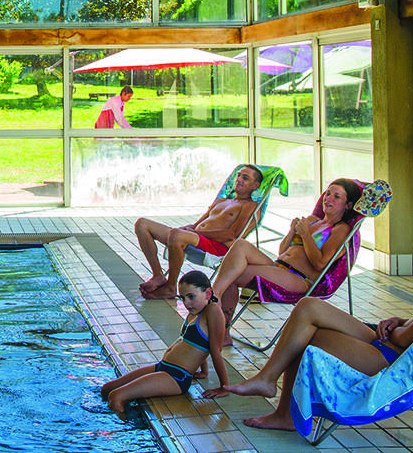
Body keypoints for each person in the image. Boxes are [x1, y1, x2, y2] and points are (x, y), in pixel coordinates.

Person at [204, 224, 413, 431]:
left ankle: (280, 404)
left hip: (391, 357)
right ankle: (270, 385)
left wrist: (397, 329)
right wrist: (400, 321)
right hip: (388, 342)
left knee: (306, 334)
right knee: (308, 308)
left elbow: (409, 339)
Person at [209, 178, 364, 321]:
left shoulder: (341, 230)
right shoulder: (312, 220)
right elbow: (282, 252)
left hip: (299, 278)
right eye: (328, 193)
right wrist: (292, 232)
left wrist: (305, 235)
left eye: (336, 197)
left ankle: (213, 303)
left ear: (348, 205)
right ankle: (214, 298)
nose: (328, 198)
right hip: (279, 267)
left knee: (233, 274)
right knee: (240, 245)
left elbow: (320, 264)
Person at [100, 271, 229, 418]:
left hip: (176, 377)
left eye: (191, 297)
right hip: (162, 367)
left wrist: (224, 387)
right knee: (107, 389)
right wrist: (203, 372)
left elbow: (215, 350)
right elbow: (198, 343)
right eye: (183, 298)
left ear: (208, 293)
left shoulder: (213, 310)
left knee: (116, 397)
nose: (186, 303)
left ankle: (123, 428)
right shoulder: (195, 311)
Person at [136, 164, 264, 299]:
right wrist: (186, 229)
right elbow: (196, 225)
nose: (239, 179)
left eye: (245, 178)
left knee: (177, 235)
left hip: (217, 246)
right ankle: (158, 275)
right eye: (238, 176)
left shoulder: (250, 206)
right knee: (142, 224)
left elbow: (232, 235)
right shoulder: (221, 201)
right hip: (196, 238)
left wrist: (194, 233)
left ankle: (170, 287)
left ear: (255, 186)